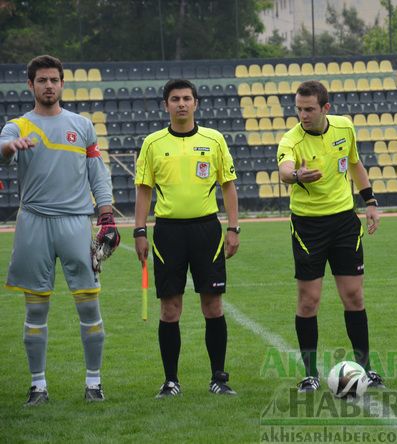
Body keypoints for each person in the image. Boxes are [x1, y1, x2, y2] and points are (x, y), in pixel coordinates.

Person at [0, 55, 119, 405]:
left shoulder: (81, 125)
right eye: (41, 80)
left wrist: (107, 213)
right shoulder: (18, 126)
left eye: (54, 80)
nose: (48, 85)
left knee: (88, 307)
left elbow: (97, 173)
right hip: (33, 222)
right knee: (35, 310)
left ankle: (93, 383)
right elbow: (1, 149)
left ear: (62, 83)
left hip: (75, 223)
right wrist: (9, 148)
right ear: (30, 85)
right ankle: (38, 385)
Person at [134, 79, 240, 398]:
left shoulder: (214, 139)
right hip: (168, 232)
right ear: (165, 105)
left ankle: (218, 378)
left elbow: (228, 186)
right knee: (170, 308)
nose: (181, 103)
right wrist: (140, 231)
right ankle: (171, 381)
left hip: (207, 231)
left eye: (187, 98)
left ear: (196, 103)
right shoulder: (153, 143)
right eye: (175, 99)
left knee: (212, 304)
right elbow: (144, 190)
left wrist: (233, 228)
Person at [277, 80, 383, 392]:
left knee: (354, 296)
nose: (302, 115)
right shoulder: (291, 140)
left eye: (309, 109)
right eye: (298, 109)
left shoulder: (344, 128)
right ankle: (310, 374)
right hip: (308, 226)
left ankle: (366, 368)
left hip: (344, 222)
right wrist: (297, 175)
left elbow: (355, 163)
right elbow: (284, 170)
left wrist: (371, 202)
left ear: (326, 108)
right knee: (309, 300)